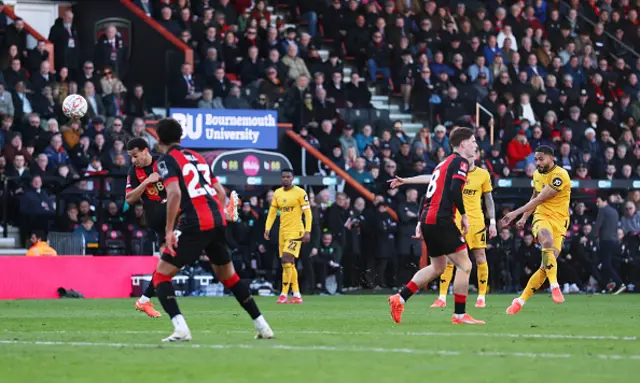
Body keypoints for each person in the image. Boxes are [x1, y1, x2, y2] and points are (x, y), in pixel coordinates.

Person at [153, 118, 273, 342]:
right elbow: (219, 192)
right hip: (217, 221)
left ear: (159, 140)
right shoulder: (197, 157)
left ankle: (181, 329)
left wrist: (169, 230)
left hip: (195, 222)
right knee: (229, 276)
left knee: (161, 276)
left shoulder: (166, 160)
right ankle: (263, 326)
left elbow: (175, 194)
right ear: (181, 137)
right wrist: (213, 214)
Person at [387, 127, 485, 325]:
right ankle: (459, 315)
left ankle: (400, 298)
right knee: (465, 265)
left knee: (437, 267)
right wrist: (464, 215)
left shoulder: (443, 163)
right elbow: (455, 188)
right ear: (463, 143)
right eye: (473, 141)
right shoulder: (460, 162)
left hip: (428, 219)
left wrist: (420, 221)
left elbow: (431, 190)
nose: (476, 145)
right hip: (442, 219)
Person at [501, 145, 571, 314]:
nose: (538, 162)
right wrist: (525, 217)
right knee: (546, 239)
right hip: (542, 217)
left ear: (551, 158)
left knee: (545, 266)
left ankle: (520, 301)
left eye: (541, 159)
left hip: (560, 221)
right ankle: (555, 286)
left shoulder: (560, 175)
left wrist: (515, 214)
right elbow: (535, 196)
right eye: (536, 159)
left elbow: (540, 197)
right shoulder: (537, 174)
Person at [431, 152, 497, 309]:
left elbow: (488, 198)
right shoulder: (452, 174)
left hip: (476, 222)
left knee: (480, 257)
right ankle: (442, 297)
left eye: (472, 154)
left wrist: (492, 222)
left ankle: (481, 297)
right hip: (455, 220)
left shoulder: (483, 174)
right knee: (449, 259)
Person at [125, 138, 167, 318]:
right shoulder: (134, 172)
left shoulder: (162, 162)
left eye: (135, 156)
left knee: (169, 261)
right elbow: (129, 199)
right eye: (130, 157)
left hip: (169, 214)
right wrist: (146, 182)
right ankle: (223, 213)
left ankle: (144, 299)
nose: (133, 160)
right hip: (158, 214)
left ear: (145, 151)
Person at [264, 169, 313, 304]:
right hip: (282, 232)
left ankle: (284, 294)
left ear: (293, 178)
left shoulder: (300, 193)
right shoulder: (277, 193)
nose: (286, 179)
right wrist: (267, 228)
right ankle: (297, 294)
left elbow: (308, 214)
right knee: (289, 264)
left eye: (288, 177)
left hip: (296, 231)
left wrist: (307, 231)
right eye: (283, 177)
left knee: (286, 258)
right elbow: (272, 212)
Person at [593, 193, 627, 295]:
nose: (597, 204)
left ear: (604, 201)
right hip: (614, 242)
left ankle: (619, 283)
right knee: (604, 264)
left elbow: (597, 226)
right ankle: (605, 287)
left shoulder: (603, 210)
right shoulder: (614, 211)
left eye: (598, 201)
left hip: (605, 242)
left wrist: (587, 237)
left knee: (605, 265)